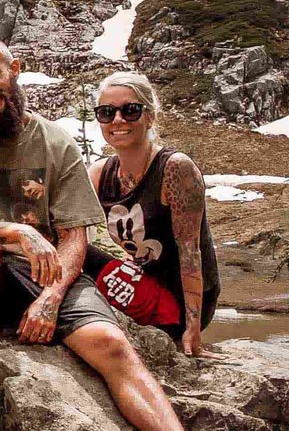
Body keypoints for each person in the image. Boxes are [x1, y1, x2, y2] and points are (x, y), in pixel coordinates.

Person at [0, 39, 261, 431]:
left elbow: (76, 237)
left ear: (15, 70)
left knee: (111, 344)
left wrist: (52, 297)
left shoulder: (55, 142)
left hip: (48, 277)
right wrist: (16, 229)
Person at [83, 70, 220, 357]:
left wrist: (192, 328)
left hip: (176, 302)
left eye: (130, 111)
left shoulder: (175, 169)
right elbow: (71, 225)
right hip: (136, 281)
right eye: (106, 113)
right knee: (70, 245)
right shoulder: (99, 173)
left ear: (150, 116)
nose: (117, 120)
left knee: (83, 256)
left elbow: (190, 251)